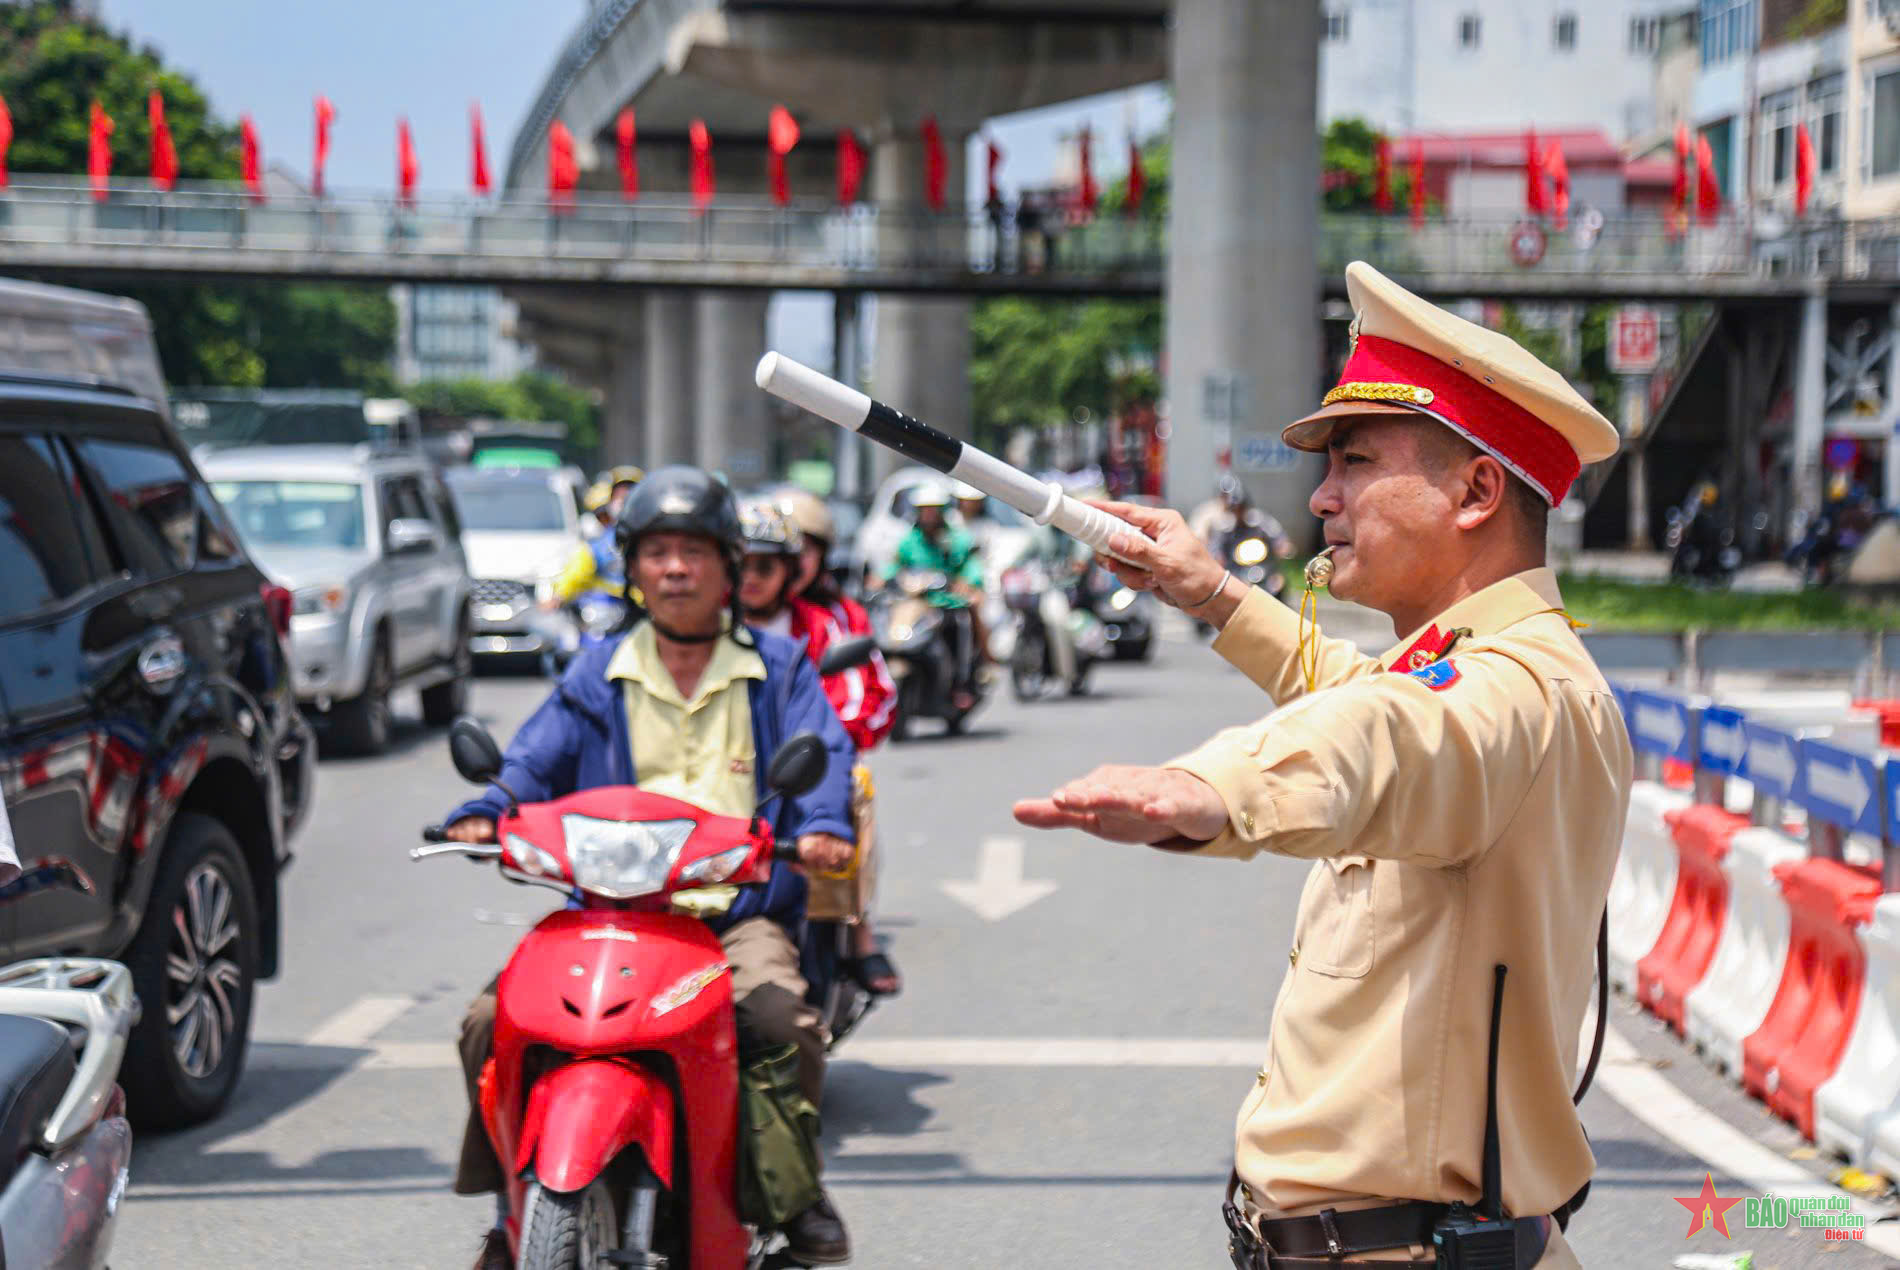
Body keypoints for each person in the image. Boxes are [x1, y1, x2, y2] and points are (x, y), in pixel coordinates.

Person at [1013, 261, 1631, 1270]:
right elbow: (1363, 690)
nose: (1323, 496)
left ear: (1476, 491)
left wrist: (1217, 786)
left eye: (1355, 462)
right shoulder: (1491, 665)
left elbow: (1382, 736)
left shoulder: (1511, 691)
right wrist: (1211, 592)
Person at [442, 466, 858, 1269]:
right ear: (631, 567)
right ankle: (510, 1209)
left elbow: (826, 756)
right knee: (487, 1023)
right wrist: (490, 808)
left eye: (693, 553)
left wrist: (822, 826)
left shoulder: (781, 668)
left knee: (783, 1024)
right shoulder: (596, 671)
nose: (675, 570)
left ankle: (793, 1191)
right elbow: (532, 760)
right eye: (657, 553)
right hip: (607, 916)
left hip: (731, 918)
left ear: (729, 568)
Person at [741, 495, 901, 997]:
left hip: (807, 767)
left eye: (767, 565)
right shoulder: (706, 624)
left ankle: (856, 928)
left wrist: (821, 749)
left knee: (848, 794)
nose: (751, 578)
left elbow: (856, 701)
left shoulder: (827, 622)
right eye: (740, 564)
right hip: (730, 769)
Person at [888, 481, 989, 711]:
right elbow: (893, 566)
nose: (929, 515)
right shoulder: (909, 540)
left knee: (962, 623)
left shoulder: (957, 539)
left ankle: (961, 683)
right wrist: (881, 577)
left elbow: (972, 566)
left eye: (933, 509)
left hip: (948, 603)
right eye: (925, 509)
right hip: (918, 605)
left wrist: (967, 583)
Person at [542, 464, 643, 609]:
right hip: (607, 612)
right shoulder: (599, 544)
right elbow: (577, 572)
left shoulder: (652, 540)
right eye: (619, 496)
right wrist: (557, 598)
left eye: (629, 495)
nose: (623, 501)